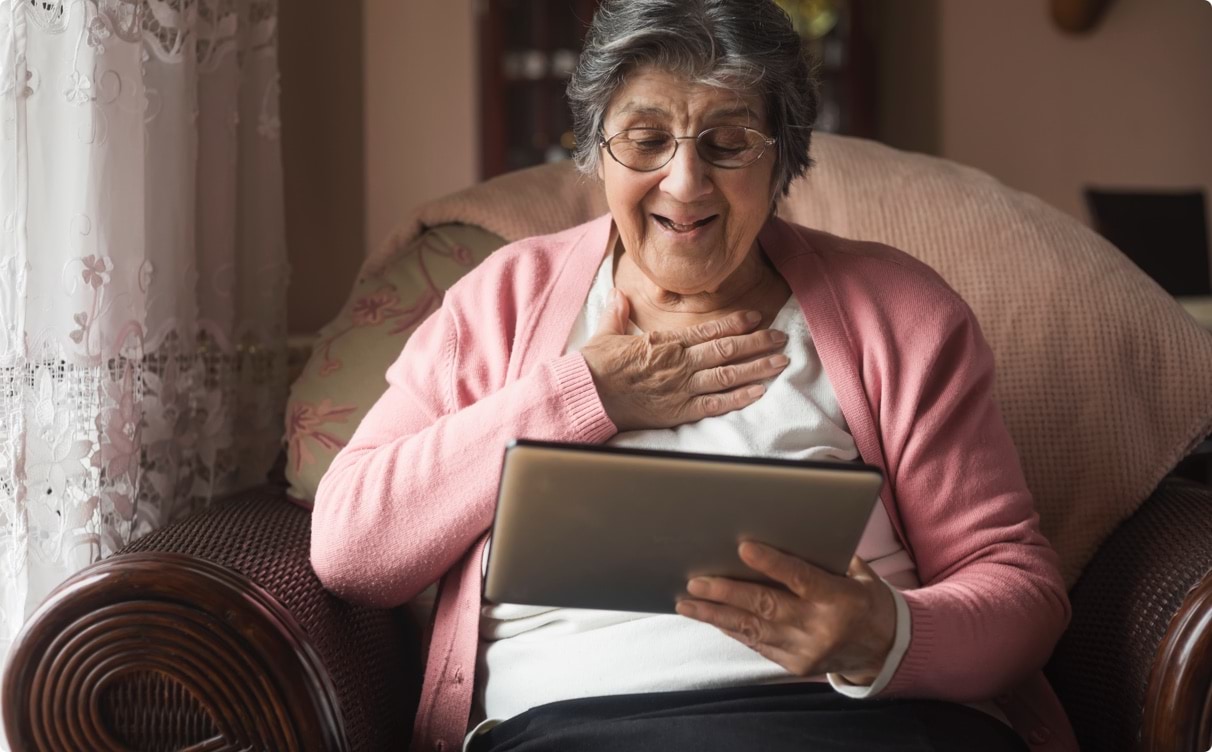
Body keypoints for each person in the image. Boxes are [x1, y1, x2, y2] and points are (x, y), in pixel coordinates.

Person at [311, 1, 1076, 750]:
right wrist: (583, 395)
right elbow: (351, 551)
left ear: (784, 154)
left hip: (862, 726)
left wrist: (886, 636)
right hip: (572, 730)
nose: (685, 184)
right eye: (645, 139)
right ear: (596, 150)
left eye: (729, 140)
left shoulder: (897, 312)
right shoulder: (504, 301)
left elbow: (1021, 591)